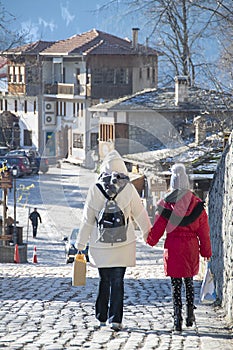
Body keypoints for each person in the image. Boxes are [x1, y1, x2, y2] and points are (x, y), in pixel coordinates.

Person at [76, 150, 151, 331]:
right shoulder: (129, 188)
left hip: (100, 245)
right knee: (118, 281)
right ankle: (115, 319)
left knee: (104, 280)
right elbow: (140, 214)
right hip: (123, 244)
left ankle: (101, 316)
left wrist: (80, 245)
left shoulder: (96, 189)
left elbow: (87, 220)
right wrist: (148, 234)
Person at [146, 163, 212, 333]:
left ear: (173, 183)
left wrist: (151, 240)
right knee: (189, 282)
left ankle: (177, 319)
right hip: (190, 248)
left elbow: (158, 228)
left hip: (173, 248)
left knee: (175, 285)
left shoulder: (166, 204)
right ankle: (190, 314)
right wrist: (206, 251)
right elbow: (204, 232)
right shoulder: (197, 204)